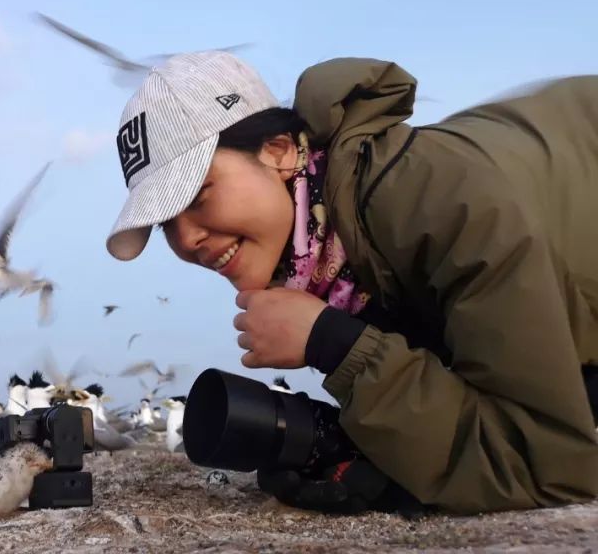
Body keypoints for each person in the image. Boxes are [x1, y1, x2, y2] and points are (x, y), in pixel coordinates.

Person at [104, 50, 598, 514]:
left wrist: (335, 345)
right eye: (165, 222)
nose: (186, 238)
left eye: (197, 195)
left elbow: (549, 464)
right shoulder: (340, 263)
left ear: (277, 152)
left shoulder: (439, 205)